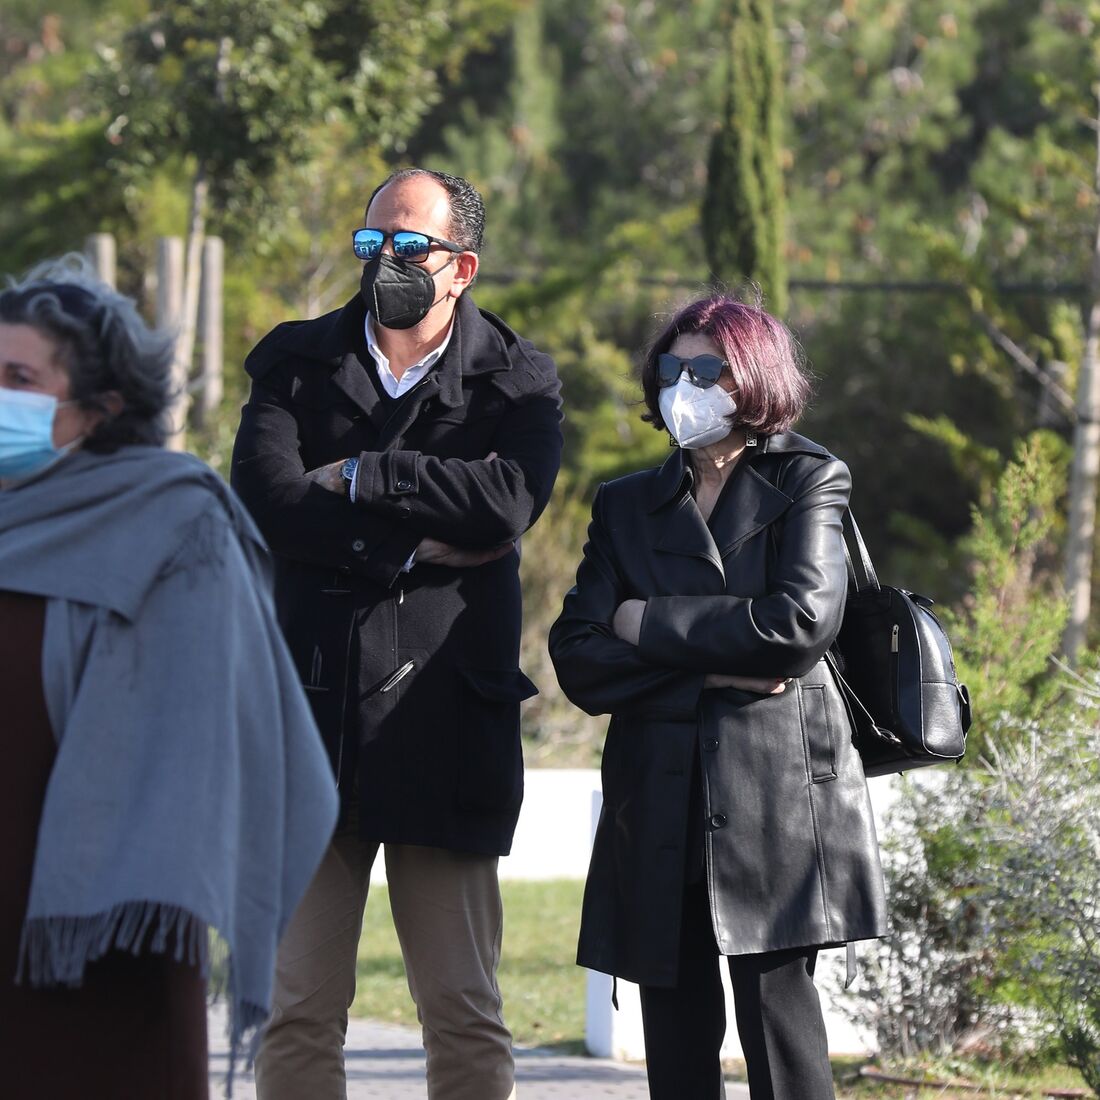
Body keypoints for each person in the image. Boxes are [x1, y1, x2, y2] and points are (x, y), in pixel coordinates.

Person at [231, 168, 563, 1100]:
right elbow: (265, 503)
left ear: (461, 268)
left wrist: (363, 476)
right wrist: (419, 541)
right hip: (310, 721)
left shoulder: (517, 377)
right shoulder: (295, 361)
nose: (385, 264)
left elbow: (506, 506)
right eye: (371, 244)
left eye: (408, 247)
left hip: (444, 723)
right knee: (296, 1007)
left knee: (460, 1009)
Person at [0, 256, 339, 1099]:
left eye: (16, 377)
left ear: (100, 409)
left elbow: (196, 748)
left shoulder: (177, 530)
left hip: (103, 943)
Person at [548, 294, 887, 1100]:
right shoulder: (625, 503)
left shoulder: (808, 477)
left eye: (706, 369)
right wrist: (712, 663)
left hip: (776, 801)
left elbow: (798, 626)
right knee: (675, 1048)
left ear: (753, 377)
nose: (683, 387)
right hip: (657, 795)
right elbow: (579, 656)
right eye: (672, 369)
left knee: (782, 1042)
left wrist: (645, 623)